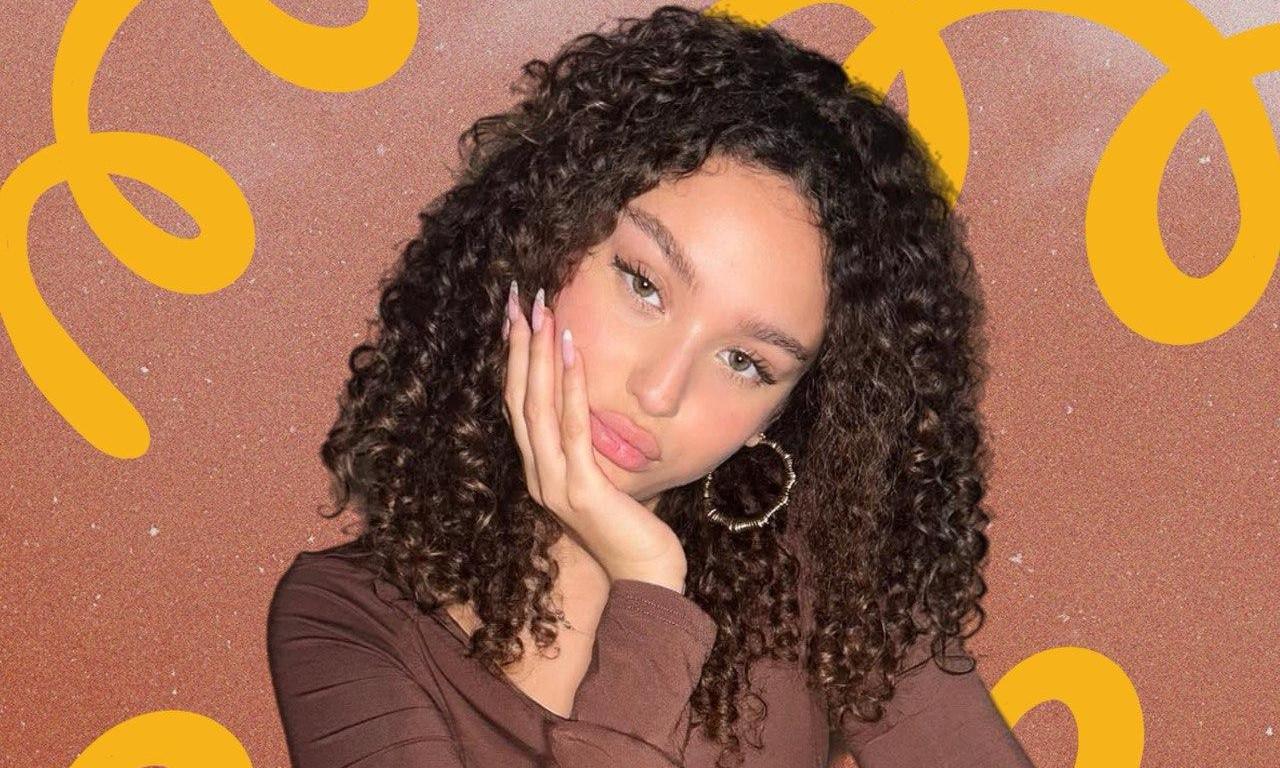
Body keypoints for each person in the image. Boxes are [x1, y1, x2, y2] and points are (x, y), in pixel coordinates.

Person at [266, 5, 1036, 767]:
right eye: (643, 283)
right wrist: (649, 590)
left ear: (784, 409)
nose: (660, 390)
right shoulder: (350, 620)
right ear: (543, 242)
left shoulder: (831, 576)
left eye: (746, 362)